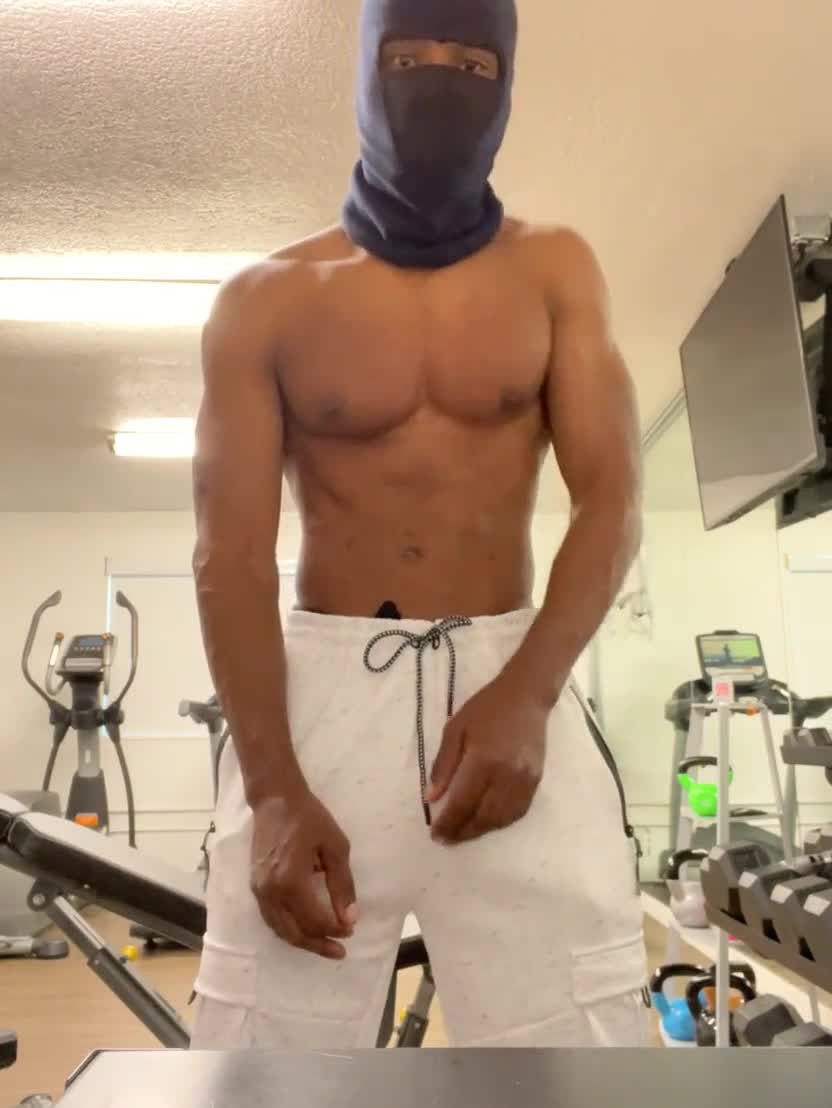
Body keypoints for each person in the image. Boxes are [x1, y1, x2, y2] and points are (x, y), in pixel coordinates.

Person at [189, 0, 648, 1050]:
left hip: (509, 674)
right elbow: (229, 555)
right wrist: (271, 787)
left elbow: (614, 499)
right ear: (363, 72)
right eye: (406, 56)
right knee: (268, 1058)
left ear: (507, 84)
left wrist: (529, 691)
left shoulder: (554, 270)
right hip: (319, 697)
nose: (437, 81)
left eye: (470, 63)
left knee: (577, 1050)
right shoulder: (264, 300)